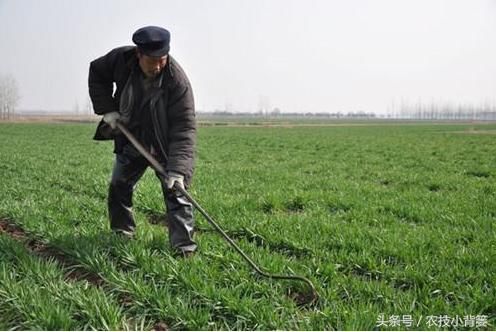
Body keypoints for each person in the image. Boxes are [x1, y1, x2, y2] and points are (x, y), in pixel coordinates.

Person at [88, 26, 197, 256]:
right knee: (119, 185)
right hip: (132, 135)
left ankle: (184, 249)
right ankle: (122, 234)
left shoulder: (178, 82)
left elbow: (184, 129)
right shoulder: (120, 60)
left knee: (177, 192)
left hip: (164, 143)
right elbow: (97, 72)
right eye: (152, 61)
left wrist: (177, 171)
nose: (157, 66)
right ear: (139, 55)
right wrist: (108, 110)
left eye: (162, 60)